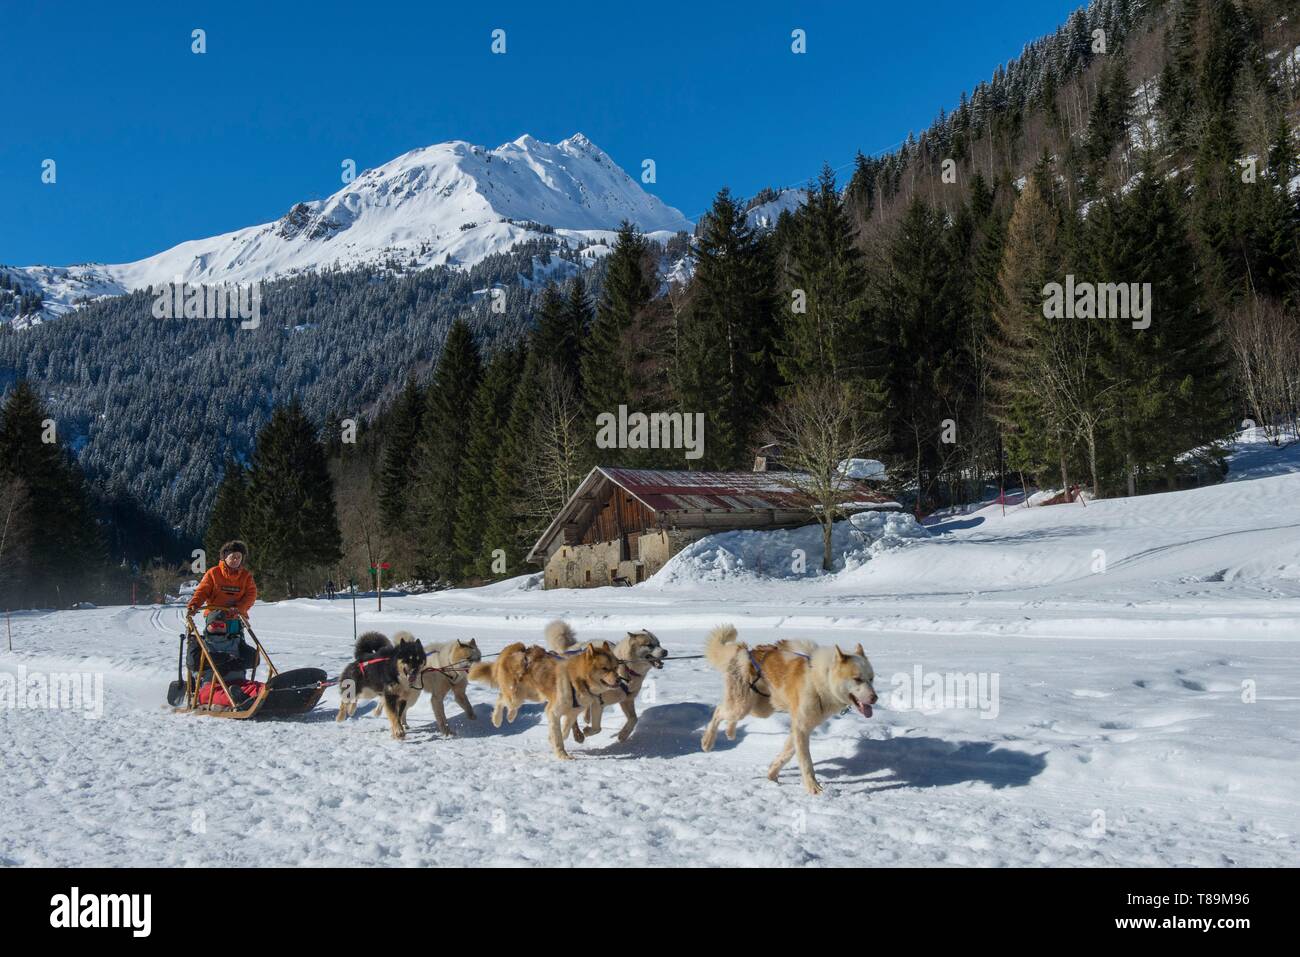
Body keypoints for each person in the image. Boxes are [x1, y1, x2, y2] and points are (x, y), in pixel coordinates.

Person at [186, 540, 259, 706]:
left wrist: (239, 608)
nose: (235, 560)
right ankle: (210, 679)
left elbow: (251, 595)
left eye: (239, 557)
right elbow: (202, 591)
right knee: (214, 644)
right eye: (232, 557)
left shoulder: (246, 576)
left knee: (235, 645)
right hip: (215, 616)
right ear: (225, 557)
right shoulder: (213, 573)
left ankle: (237, 679)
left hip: (235, 617)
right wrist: (194, 605)